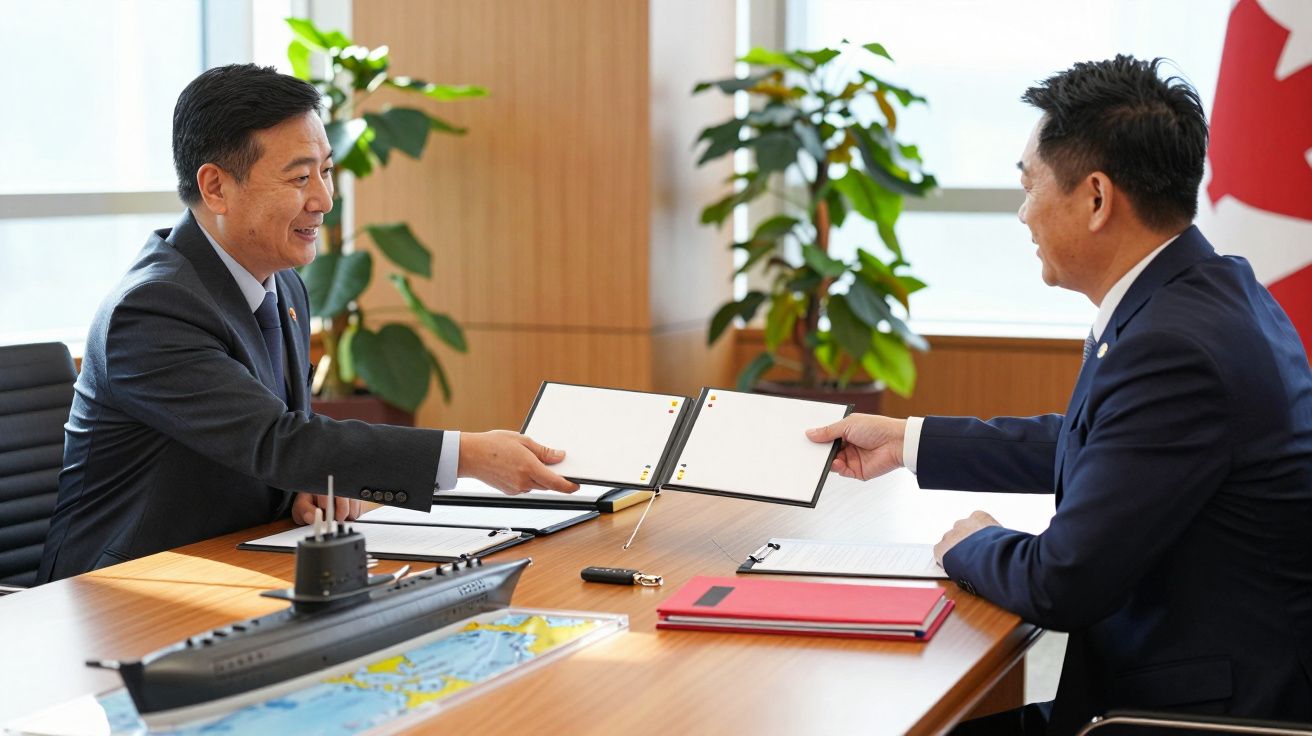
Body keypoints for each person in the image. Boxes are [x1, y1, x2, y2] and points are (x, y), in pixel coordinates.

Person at [807, 56, 1312, 733]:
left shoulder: (1174, 347)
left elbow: (1060, 583)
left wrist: (970, 543)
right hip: (1186, 684)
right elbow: (1109, 445)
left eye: (1029, 184)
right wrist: (908, 441)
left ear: (1097, 197)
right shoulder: (1208, 291)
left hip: (1190, 716)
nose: (1022, 214)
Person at [37, 64, 577, 582]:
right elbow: (276, 440)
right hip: (123, 586)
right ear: (216, 188)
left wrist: (305, 489)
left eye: (326, 171)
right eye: (299, 177)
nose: (323, 199)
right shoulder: (152, 310)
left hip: (242, 558)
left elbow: (264, 443)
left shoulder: (284, 284)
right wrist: (470, 454)